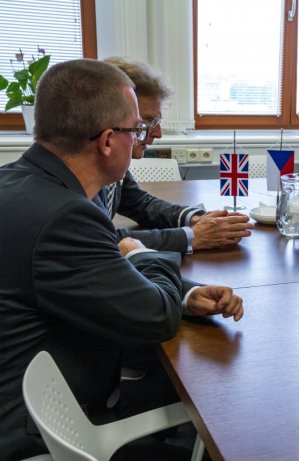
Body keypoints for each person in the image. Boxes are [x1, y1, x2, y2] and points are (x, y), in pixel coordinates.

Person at [0, 59, 244, 460]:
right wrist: (142, 252)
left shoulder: (20, 182)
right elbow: (156, 317)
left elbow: (99, 271)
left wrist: (186, 293)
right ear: (108, 140)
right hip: (38, 436)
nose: (142, 140)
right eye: (139, 130)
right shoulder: (66, 217)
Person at [96, 57, 254, 254]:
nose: (157, 133)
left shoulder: (112, 164)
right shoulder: (84, 177)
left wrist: (195, 218)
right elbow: (102, 241)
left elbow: (141, 204)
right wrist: (192, 236)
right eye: (146, 122)